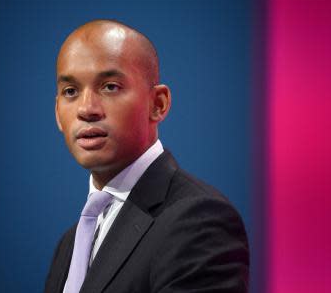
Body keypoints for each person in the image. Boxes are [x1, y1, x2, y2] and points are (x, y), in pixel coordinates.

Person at [45, 19, 249, 293]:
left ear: (158, 104)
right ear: (58, 113)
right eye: (71, 91)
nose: (86, 109)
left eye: (110, 86)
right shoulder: (68, 246)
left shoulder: (199, 221)